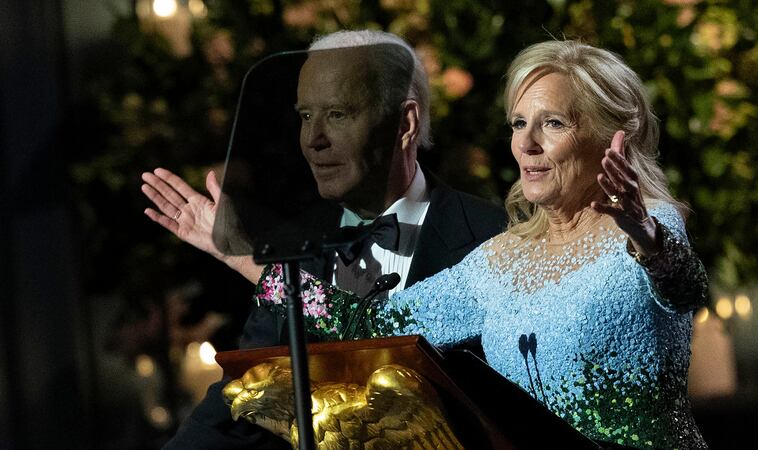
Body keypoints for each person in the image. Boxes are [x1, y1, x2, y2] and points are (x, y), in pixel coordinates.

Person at [255, 40, 709, 449]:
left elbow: (685, 288)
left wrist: (647, 238)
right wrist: (257, 269)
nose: (526, 143)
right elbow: (373, 327)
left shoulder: (652, 226)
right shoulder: (499, 258)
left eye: (552, 123)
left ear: (611, 137)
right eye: (518, 123)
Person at [141, 30, 505, 449]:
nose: (313, 140)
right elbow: (238, 404)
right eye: (305, 116)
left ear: (404, 124)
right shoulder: (292, 244)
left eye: (337, 114)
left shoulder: (491, 236)